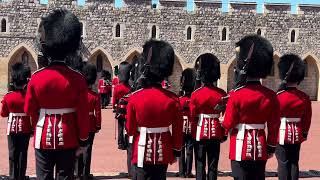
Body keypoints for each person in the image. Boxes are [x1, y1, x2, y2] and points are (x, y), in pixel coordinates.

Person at [24, 9, 89, 180]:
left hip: (42, 135)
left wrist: (35, 127)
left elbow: (29, 109)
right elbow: (82, 114)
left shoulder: (37, 78)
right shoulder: (78, 79)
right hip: (68, 137)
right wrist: (82, 141)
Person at [222, 35, 280, 180]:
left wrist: (221, 124)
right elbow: (274, 125)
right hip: (260, 146)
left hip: (239, 147)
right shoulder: (271, 96)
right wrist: (271, 146)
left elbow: (229, 122)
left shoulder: (237, 94)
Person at [125, 39, 183, 180]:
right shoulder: (173, 99)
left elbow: (131, 129)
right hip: (163, 148)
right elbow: (177, 129)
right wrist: (176, 150)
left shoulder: (135, 98)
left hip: (141, 148)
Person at [189, 53, 227, 180]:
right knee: (213, 164)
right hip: (216, 132)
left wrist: (193, 133)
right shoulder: (221, 94)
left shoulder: (196, 94)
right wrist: (223, 133)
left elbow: (192, 116)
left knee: (200, 164)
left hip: (200, 132)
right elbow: (224, 115)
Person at [275, 54, 312, 180]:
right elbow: (307, 118)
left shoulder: (278, 96)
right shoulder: (304, 97)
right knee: (294, 162)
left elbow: (273, 118)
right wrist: (304, 133)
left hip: (281, 133)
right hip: (297, 133)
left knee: (283, 163)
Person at [1, 63, 32, 180]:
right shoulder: (28, 96)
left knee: (12, 153)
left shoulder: (8, 96)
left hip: (12, 128)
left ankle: (13, 176)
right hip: (25, 127)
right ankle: (21, 176)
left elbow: (3, 114)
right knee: (23, 153)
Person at [75, 63, 102, 180]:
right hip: (90, 124)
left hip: (78, 123)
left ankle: (77, 172)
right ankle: (86, 173)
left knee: (77, 147)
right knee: (88, 149)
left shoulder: (77, 94)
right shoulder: (95, 96)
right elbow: (98, 113)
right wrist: (98, 125)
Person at [177, 68, 196, 178]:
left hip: (181, 126)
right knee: (190, 149)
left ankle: (181, 171)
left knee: (181, 148)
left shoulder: (180, 99)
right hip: (191, 126)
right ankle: (188, 171)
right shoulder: (193, 99)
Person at [113, 62, 132, 150]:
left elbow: (114, 99)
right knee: (127, 126)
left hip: (120, 109)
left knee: (120, 127)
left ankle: (120, 143)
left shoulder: (117, 87)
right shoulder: (130, 87)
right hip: (128, 109)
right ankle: (126, 141)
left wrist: (114, 107)